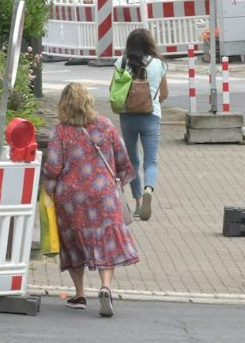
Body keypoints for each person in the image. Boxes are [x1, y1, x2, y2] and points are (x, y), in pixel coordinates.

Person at [43, 82, 139, 317]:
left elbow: (53, 166)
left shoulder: (60, 131)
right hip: (103, 195)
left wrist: (47, 189)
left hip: (72, 199)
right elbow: (122, 157)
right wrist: (116, 179)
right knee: (106, 240)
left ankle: (79, 294)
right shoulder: (104, 124)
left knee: (73, 243)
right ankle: (105, 286)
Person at [115, 28, 169, 221]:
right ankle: (148, 189)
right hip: (151, 116)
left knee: (132, 160)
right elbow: (164, 94)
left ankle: (137, 203)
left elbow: (114, 90)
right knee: (150, 161)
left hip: (127, 116)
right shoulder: (159, 64)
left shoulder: (121, 62)